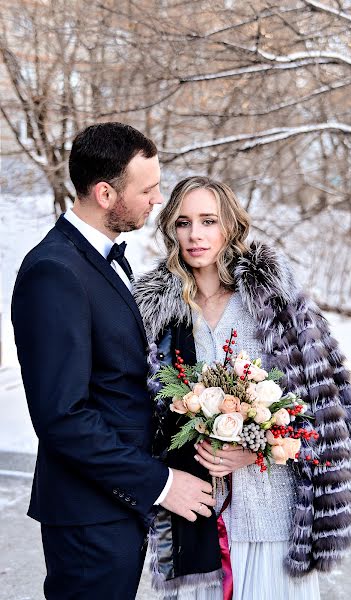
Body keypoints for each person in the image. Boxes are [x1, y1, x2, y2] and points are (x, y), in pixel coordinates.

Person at [134, 175, 351, 600]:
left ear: (230, 225)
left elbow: (322, 413)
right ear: (170, 230)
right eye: (183, 222)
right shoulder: (156, 314)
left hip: (270, 515)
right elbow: (144, 418)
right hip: (194, 520)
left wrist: (256, 445)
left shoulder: (275, 302)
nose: (195, 235)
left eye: (208, 220)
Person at [11, 125, 216, 600]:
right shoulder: (55, 271)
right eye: (147, 190)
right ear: (106, 193)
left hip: (114, 504)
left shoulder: (104, 259)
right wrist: (161, 484)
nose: (157, 200)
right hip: (90, 514)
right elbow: (62, 416)